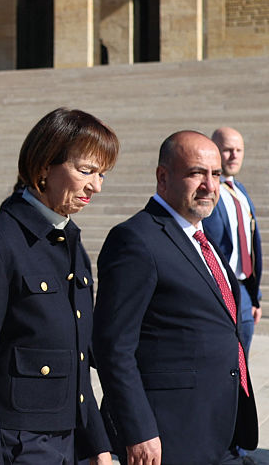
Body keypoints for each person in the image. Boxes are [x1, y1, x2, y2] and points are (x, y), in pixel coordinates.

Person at [0, 108, 116, 465]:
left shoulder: (69, 241)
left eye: (102, 174)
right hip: (17, 447)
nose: (96, 186)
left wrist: (96, 443)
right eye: (85, 170)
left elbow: (77, 358)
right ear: (44, 167)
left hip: (69, 443)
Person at [93, 131, 258, 465]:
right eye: (196, 173)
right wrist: (137, 430)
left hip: (218, 430)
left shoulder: (201, 237)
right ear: (163, 177)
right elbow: (112, 347)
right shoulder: (135, 240)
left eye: (215, 175)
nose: (210, 186)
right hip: (167, 437)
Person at [204, 127, 262, 357]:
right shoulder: (206, 192)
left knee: (242, 363)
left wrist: (255, 296)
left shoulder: (241, 191)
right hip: (216, 290)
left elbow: (250, 245)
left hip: (243, 291)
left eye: (239, 150)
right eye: (227, 150)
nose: (234, 155)